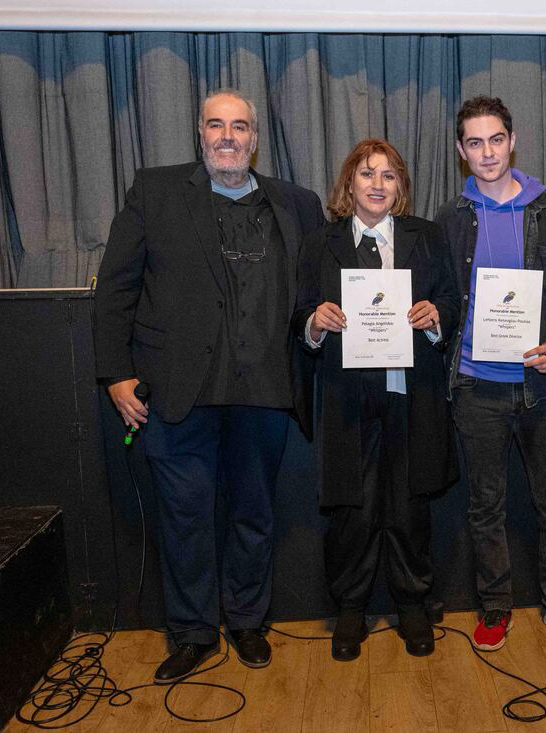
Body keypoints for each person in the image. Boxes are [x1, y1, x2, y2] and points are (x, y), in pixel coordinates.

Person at [93, 89, 325, 681]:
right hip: (176, 392)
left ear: (255, 138)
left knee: (254, 514)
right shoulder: (155, 191)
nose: (228, 136)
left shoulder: (297, 204)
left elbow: (311, 297)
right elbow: (116, 289)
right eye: (216, 125)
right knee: (185, 517)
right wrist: (117, 373)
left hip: (266, 391)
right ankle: (194, 632)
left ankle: (247, 622)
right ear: (200, 134)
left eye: (240, 126)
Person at [435, 96, 546, 651]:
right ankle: (495, 606)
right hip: (476, 385)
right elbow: (441, 300)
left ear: (513, 141)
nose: (487, 152)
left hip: (544, 386)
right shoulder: (450, 219)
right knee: (486, 505)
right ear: (462, 151)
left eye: (496, 139)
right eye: (475, 143)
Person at [293, 139, 459, 662]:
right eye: (367, 175)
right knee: (353, 509)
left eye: (389, 176)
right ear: (349, 184)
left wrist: (437, 318)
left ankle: (413, 603)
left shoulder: (426, 237)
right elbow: (299, 316)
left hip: (411, 392)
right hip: (346, 396)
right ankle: (350, 609)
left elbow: (453, 301)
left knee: (410, 505)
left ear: (401, 187)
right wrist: (315, 325)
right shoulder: (321, 243)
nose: (378, 185)